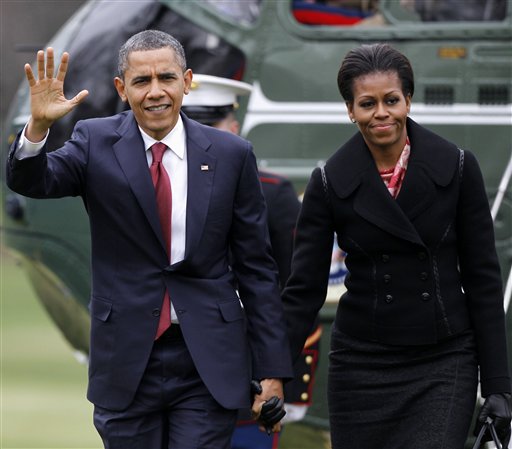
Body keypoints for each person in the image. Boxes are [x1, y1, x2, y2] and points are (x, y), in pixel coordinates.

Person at [5, 30, 293, 449]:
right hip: (126, 359)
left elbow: (257, 269)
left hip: (206, 361)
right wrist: (37, 129)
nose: (155, 92)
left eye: (167, 78)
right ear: (122, 88)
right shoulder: (93, 140)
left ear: (187, 81)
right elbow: (34, 180)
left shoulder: (231, 154)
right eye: (142, 81)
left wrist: (272, 371)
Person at [282, 42, 511, 449]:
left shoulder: (457, 167)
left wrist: (498, 386)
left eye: (391, 100)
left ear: (408, 100)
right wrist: (274, 372)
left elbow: (483, 282)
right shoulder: (330, 183)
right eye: (367, 104)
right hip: (362, 364)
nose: (381, 113)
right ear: (350, 110)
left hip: (443, 358)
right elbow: (304, 291)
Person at [181, 74, 322, 449]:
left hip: (246, 377)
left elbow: (293, 292)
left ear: (234, 125)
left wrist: (283, 373)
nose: (202, 135)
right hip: (176, 371)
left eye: (211, 124)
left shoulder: (272, 194)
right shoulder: (156, 188)